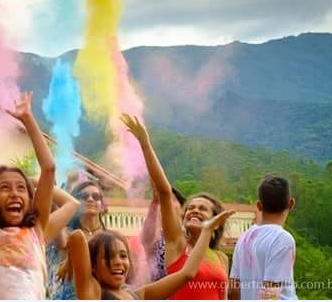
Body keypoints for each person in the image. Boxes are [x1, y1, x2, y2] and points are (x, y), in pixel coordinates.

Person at [0, 64, 55, 299]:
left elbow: (49, 168)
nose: (15, 194)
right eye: (4, 188)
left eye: (21, 188)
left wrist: (28, 120)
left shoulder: (36, 231)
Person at [121, 114, 230, 299]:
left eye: (202, 209)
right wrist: (145, 143)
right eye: (190, 208)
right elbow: (164, 191)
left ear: (216, 222)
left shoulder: (221, 258)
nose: (194, 210)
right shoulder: (177, 243)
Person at [68, 209, 234, 299]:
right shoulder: (93, 292)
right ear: (93, 266)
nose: (118, 262)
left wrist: (206, 230)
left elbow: (187, 274)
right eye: (109, 257)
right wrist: (72, 261)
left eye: (123, 256)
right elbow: (77, 236)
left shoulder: (137, 294)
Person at [229, 175, 297, 300]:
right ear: (291, 203)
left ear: (259, 206)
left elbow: (233, 288)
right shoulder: (283, 239)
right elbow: (269, 294)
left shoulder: (244, 238)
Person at [140, 186, 187, 282]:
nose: (165, 204)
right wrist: (155, 203)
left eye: (170, 200)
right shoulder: (157, 240)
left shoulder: (192, 238)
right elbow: (147, 237)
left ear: (183, 209)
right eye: (162, 201)